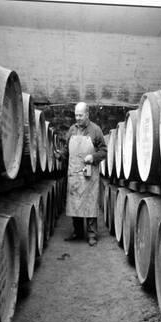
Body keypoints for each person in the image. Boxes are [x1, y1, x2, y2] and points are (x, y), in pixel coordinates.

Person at [54, 102, 107, 246]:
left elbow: (104, 151)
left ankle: (92, 235)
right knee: (75, 203)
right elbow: (66, 149)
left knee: (89, 203)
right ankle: (78, 232)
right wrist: (61, 155)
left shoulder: (96, 130)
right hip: (74, 173)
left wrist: (93, 157)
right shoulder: (72, 130)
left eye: (80, 115)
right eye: (76, 115)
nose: (77, 118)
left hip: (89, 173)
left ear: (87, 114)